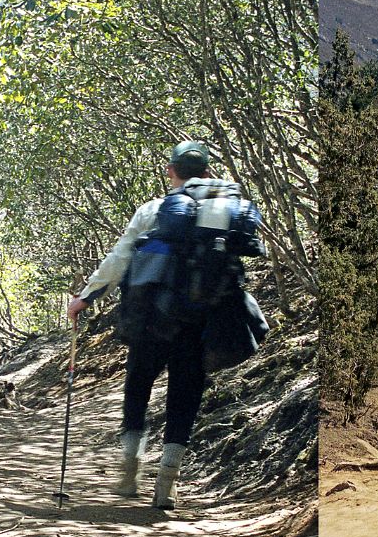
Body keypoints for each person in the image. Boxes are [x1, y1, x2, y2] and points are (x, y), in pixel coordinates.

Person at [68, 141, 258, 509]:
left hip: (151, 318)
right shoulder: (224, 213)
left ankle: (129, 469)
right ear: (206, 173)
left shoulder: (154, 211)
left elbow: (120, 257)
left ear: (171, 171)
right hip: (199, 322)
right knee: (184, 396)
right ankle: (167, 484)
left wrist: (86, 297)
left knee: (138, 387)